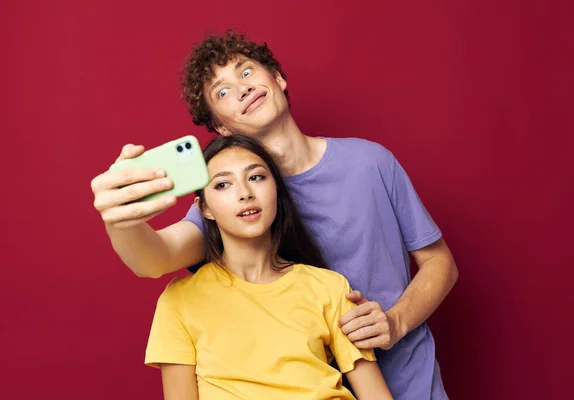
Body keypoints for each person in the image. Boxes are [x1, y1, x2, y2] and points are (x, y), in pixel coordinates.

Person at [91, 31, 458, 399]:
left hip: (411, 384)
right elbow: (155, 257)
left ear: (278, 79)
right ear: (220, 126)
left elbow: (439, 262)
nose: (242, 89)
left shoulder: (372, 162)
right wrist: (121, 219)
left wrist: (396, 321)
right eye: (222, 92)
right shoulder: (237, 205)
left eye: (247, 72)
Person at [145, 134, 393, 400]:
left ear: (276, 189)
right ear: (204, 208)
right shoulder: (180, 300)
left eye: (256, 177)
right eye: (223, 184)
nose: (245, 193)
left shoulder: (330, 286)